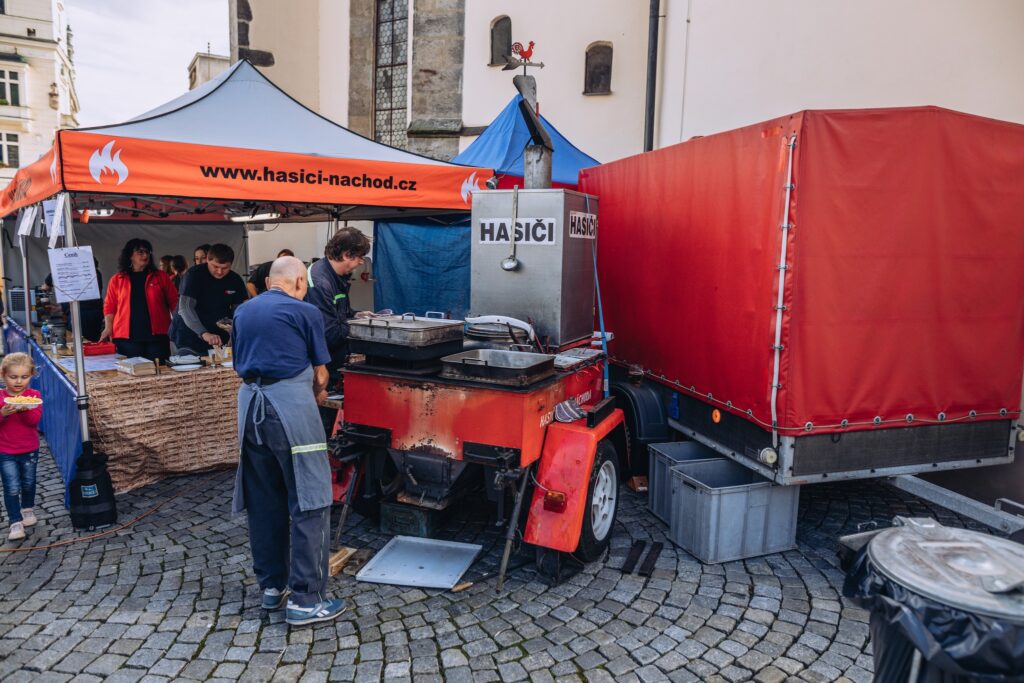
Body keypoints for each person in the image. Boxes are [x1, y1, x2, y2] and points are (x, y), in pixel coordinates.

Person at [231, 256, 346, 625]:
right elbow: (321, 373)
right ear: (299, 281)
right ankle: (306, 599)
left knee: (264, 500)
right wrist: (319, 394)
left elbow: (241, 362)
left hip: (250, 410)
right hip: (291, 410)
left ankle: (271, 587)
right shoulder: (306, 312)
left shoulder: (243, 312)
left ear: (268, 283)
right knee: (310, 500)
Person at [304, 228, 371, 434]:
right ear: (345, 255)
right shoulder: (320, 282)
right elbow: (330, 332)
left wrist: (357, 315)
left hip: (333, 364)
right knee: (318, 430)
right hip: (318, 369)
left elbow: (341, 314)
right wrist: (361, 328)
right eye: (359, 257)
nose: (361, 262)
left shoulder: (338, 276)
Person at [99, 239, 178, 360]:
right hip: (126, 339)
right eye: (140, 252)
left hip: (157, 337)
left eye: (147, 252)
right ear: (130, 255)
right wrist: (108, 327)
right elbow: (110, 306)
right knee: (131, 375)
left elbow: (174, 303)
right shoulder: (117, 279)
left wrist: (178, 326)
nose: (145, 255)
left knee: (160, 373)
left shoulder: (161, 277)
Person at [171, 243, 248, 353]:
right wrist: (204, 333)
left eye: (225, 268)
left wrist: (234, 329)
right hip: (189, 337)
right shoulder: (193, 275)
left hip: (219, 339)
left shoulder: (235, 280)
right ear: (207, 259)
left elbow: (240, 309)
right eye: (215, 266)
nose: (220, 272)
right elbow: (185, 308)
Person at [0, 353, 43, 542]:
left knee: (28, 482)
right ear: (3, 375)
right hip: (5, 450)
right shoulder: (1, 398)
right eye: (13, 377)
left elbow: (34, 422)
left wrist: (25, 410)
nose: (19, 381)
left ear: (31, 375)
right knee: (11, 487)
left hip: (29, 448)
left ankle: (27, 509)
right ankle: (15, 521)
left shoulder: (34, 396)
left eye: (24, 377)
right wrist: (3, 414)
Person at [45, 258, 105, 342]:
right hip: (95, 314)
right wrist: (60, 307)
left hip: (81, 315)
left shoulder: (73, 270)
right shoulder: (95, 273)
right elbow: (81, 297)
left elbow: (47, 284)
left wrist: (45, 286)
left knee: (79, 342)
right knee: (91, 342)